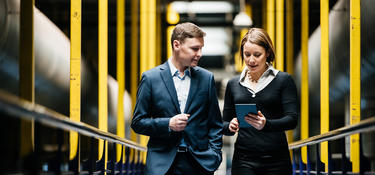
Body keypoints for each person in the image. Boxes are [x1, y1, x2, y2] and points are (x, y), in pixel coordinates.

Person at [131, 22, 223, 175]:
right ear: (176, 44)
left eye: (201, 48)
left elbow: (215, 124)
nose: (200, 53)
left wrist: (214, 155)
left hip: (199, 164)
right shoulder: (151, 78)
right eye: (195, 48)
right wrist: (168, 124)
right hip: (162, 165)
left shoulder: (206, 79)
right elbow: (138, 123)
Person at [223, 28, 298, 175]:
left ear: (268, 53)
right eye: (247, 54)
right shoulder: (233, 84)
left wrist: (266, 124)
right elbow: (223, 123)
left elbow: (292, 120)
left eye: (257, 55)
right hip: (244, 160)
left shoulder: (283, 80)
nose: (251, 60)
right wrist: (230, 126)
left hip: (276, 159)